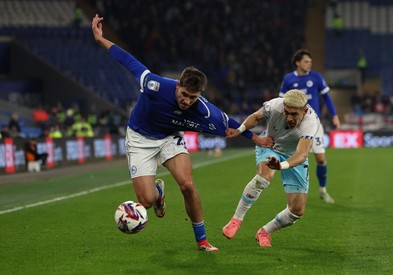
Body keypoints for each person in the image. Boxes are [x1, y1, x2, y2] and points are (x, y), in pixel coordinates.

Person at [91, 14, 273, 252]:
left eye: (193, 98)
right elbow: (128, 60)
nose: (187, 101)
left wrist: (256, 138)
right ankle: (157, 193)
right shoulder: (155, 85)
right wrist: (100, 38)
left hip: (170, 138)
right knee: (145, 201)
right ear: (178, 86)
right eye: (184, 94)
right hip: (140, 138)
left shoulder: (205, 111)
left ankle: (202, 240)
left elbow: (231, 124)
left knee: (187, 185)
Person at [222, 89, 319, 247]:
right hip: (270, 146)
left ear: (305, 111)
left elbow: (302, 154)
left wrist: (281, 165)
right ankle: (236, 220)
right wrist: (240, 130)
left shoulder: (311, 122)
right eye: (286, 112)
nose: (288, 117)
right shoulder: (275, 105)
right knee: (263, 178)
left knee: (296, 210)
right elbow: (255, 117)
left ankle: (264, 232)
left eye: (294, 114)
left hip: (294, 157)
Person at [280, 49, 340, 204]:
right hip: (294, 125)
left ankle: (323, 190)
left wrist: (334, 115)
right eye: (306, 61)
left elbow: (326, 97)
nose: (309, 64)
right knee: (295, 159)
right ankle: (294, 194)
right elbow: (281, 103)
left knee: (320, 159)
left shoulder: (316, 77)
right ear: (297, 63)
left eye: (310, 62)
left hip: (314, 124)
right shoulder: (288, 79)